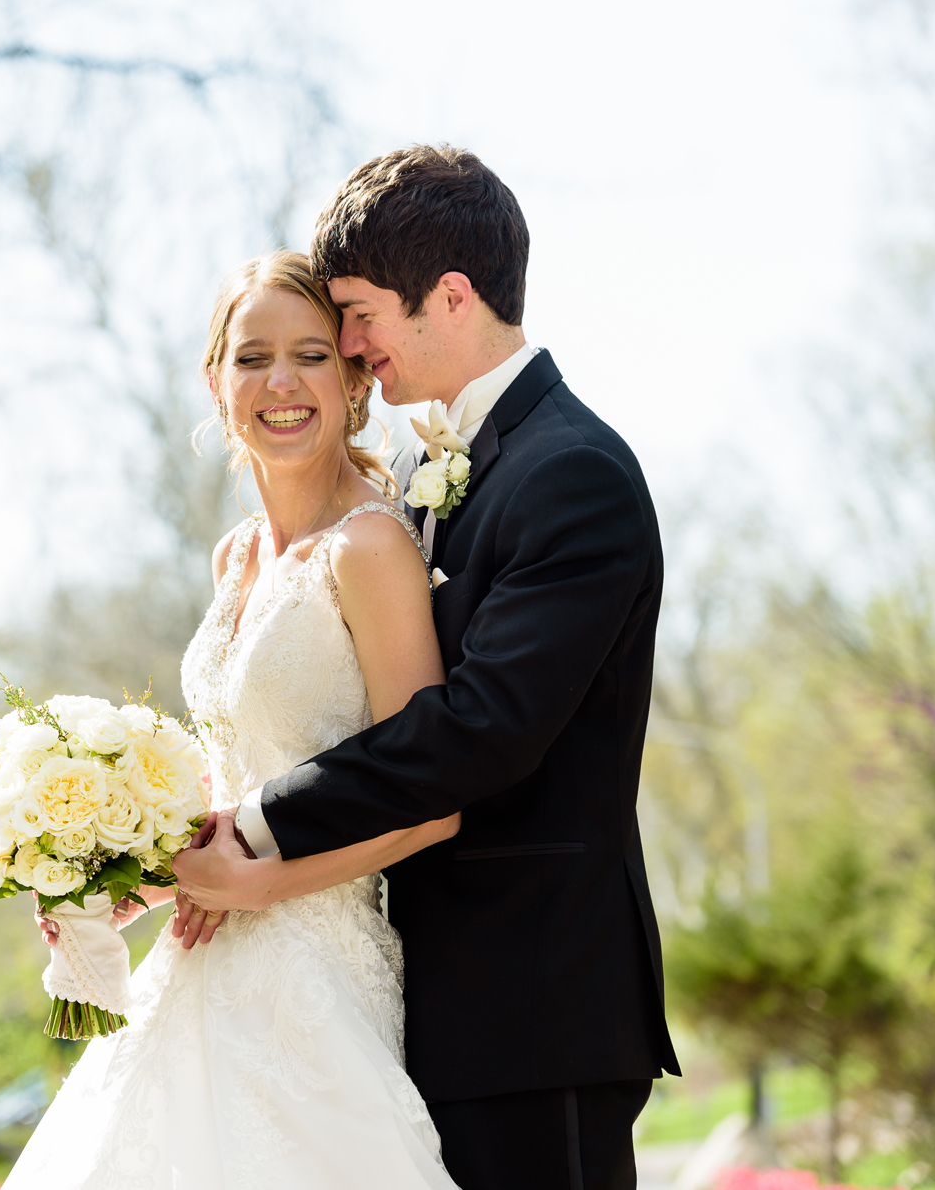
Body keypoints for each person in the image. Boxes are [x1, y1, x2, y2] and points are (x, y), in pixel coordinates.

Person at [174, 145, 680, 1190]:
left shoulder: (571, 473)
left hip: (535, 1002)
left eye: (355, 316)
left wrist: (258, 832)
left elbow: (481, 728)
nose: (349, 349)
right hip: (405, 995)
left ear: (447, 297)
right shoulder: (408, 474)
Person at [4, 250, 465, 1190]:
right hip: (199, 964)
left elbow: (434, 804)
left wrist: (263, 887)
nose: (282, 382)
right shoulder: (233, 558)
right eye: (253, 358)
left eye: (310, 354)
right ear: (216, 384)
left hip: (319, 976)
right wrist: (134, 875)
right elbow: (240, 785)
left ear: (351, 380)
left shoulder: (372, 547)